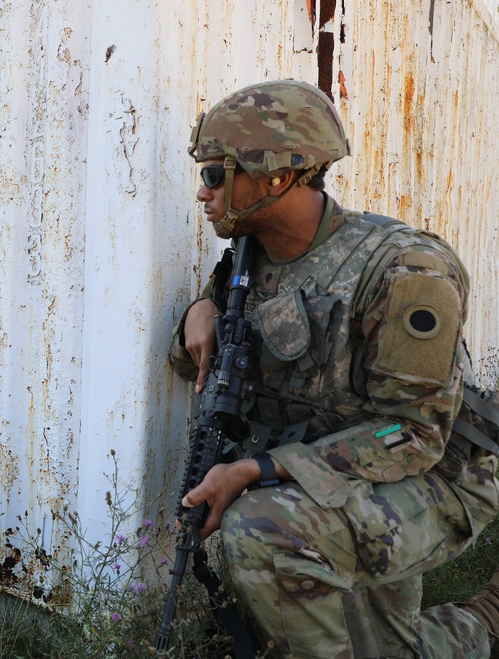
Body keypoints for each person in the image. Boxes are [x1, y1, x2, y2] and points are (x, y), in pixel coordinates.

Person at [168, 79, 499, 658]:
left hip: (434, 477)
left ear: (275, 176)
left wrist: (259, 470)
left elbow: (415, 436)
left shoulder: (406, 271)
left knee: (261, 529)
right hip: (337, 479)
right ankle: (487, 622)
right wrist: (198, 312)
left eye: (216, 175)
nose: (203, 192)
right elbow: (190, 360)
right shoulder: (251, 261)